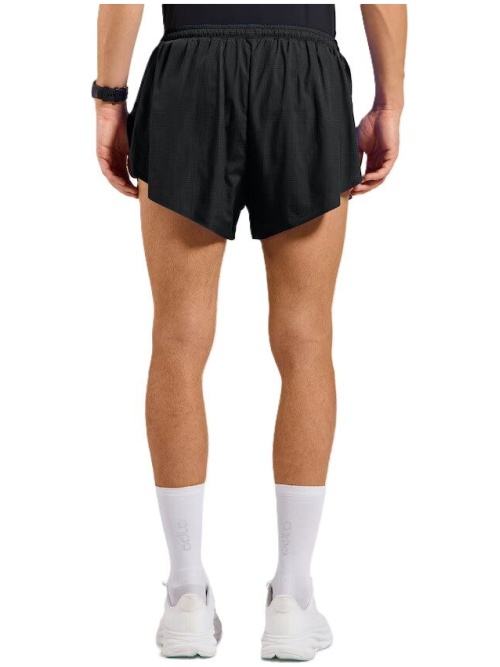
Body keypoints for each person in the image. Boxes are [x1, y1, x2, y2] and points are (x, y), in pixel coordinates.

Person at [94, 3, 407, 660]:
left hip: (189, 65)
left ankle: (186, 594)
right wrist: (390, 101)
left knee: (177, 340)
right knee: (306, 340)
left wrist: (108, 98)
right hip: (305, 68)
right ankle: (291, 596)